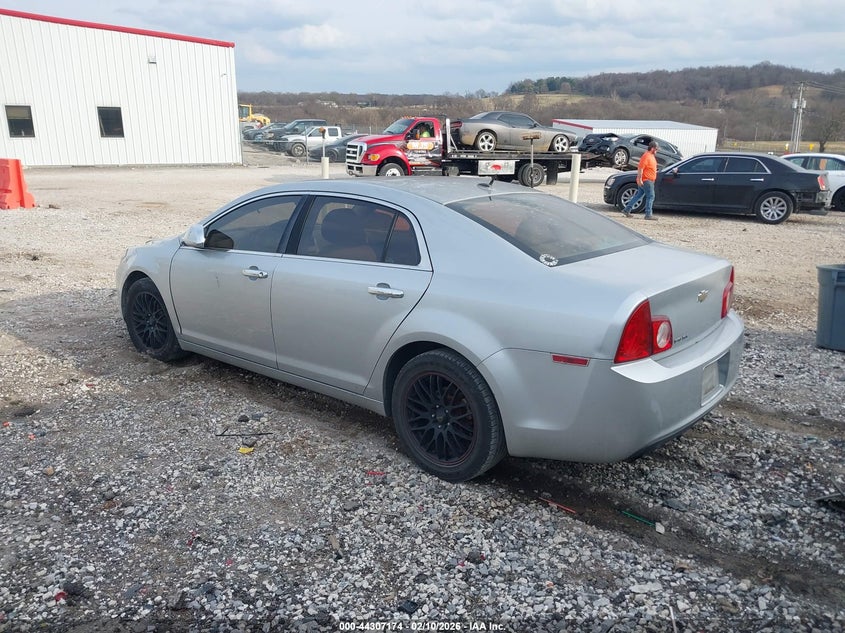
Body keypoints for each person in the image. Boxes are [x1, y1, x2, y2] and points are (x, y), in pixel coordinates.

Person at [621, 140, 659, 220]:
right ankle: (648, 214)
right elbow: (641, 168)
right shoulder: (646, 156)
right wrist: (640, 179)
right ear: (652, 148)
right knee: (651, 196)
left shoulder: (651, 156)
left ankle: (627, 209)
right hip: (646, 180)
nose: (657, 151)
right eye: (656, 149)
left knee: (639, 195)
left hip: (648, 180)